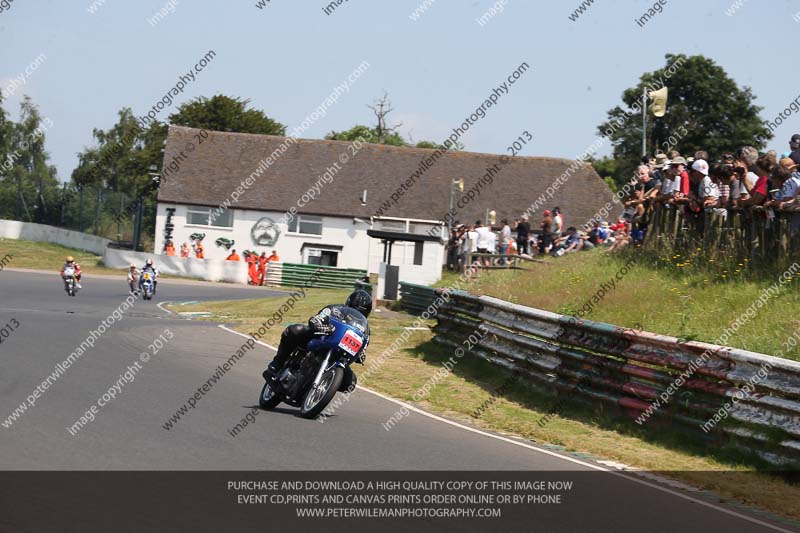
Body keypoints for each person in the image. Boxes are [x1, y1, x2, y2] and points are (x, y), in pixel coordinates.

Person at [262, 290, 373, 393]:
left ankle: (325, 385)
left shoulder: (366, 330)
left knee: (351, 382)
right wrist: (318, 325)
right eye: (354, 309)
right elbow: (317, 318)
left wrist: (361, 354)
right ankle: (278, 363)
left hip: (340, 355)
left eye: (361, 312)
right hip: (321, 339)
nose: (356, 314)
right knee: (294, 330)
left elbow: (363, 346)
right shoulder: (335, 309)